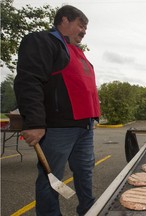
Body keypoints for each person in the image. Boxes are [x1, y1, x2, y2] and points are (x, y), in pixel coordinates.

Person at [14, 5, 100, 215]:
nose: (84, 31)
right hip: (58, 127)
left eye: (86, 28)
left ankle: (89, 209)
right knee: (50, 179)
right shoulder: (43, 41)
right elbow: (28, 80)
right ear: (64, 20)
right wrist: (34, 122)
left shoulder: (77, 51)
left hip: (84, 126)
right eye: (81, 25)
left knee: (85, 172)